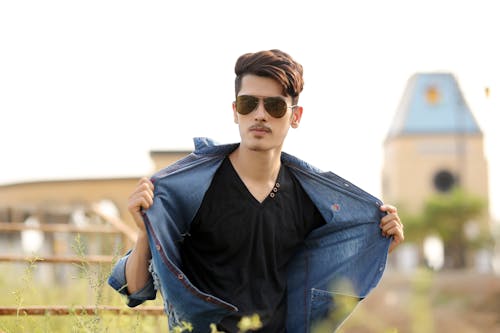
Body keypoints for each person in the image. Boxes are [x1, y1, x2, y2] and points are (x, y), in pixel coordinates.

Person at [108, 49, 404, 333]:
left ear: (296, 116)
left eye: (274, 106)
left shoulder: (309, 198)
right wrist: (145, 231)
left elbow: (332, 274)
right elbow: (134, 291)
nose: (260, 115)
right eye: (249, 104)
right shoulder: (192, 191)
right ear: (236, 111)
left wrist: (377, 244)